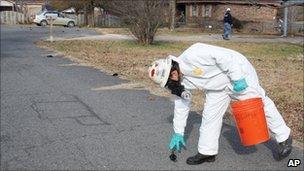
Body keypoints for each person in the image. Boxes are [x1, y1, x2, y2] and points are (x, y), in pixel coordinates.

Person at [148, 43, 292, 165]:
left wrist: (237, 78)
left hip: (237, 72)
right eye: (170, 80)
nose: (174, 79)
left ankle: (284, 137)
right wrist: (178, 132)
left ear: (173, 65)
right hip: (217, 87)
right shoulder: (178, 83)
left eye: (172, 75)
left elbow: (226, 58)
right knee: (210, 115)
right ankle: (207, 151)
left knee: (259, 102)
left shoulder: (194, 53)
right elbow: (181, 105)